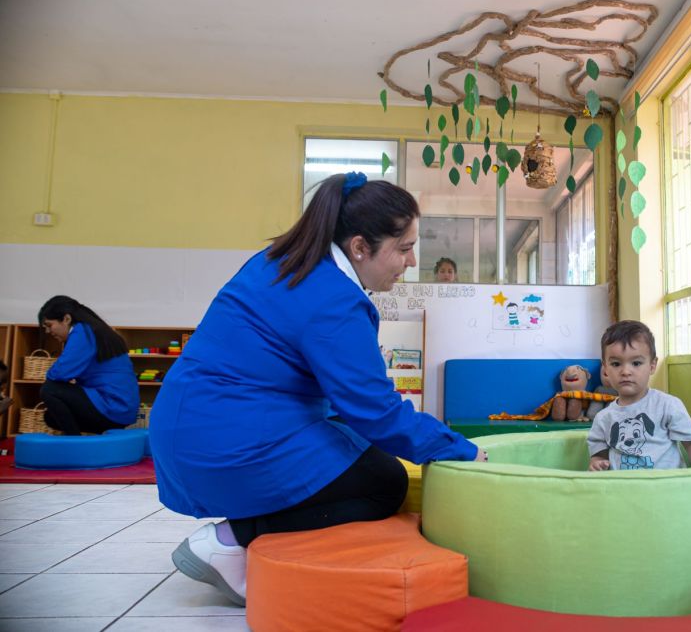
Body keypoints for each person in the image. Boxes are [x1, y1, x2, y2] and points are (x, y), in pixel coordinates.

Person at [149, 173, 487, 607]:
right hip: (223, 435)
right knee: (383, 482)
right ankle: (228, 540)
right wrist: (460, 449)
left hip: (193, 422)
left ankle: (239, 531)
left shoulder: (285, 260)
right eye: (403, 248)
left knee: (365, 455)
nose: (410, 261)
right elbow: (376, 412)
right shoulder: (333, 300)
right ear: (360, 247)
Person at [587, 320, 691, 471]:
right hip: (623, 490)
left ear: (652, 365)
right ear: (605, 369)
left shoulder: (667, 405)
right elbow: (599, 455)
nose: (625, 371)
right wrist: (597, 463)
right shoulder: (604, 418)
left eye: (636, 363)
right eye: (616, 364)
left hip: (666, 488)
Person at [36, 296, 140, 436]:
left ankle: (74, 442)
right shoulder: (93, 329)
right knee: (51, 417)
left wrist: (51, 375)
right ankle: (77, 439)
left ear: (66, 319)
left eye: (49, 325)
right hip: (120, 409)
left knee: (49, 389)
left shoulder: (82, 332)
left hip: (113, 407)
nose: (48, 332)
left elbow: (60, 372)